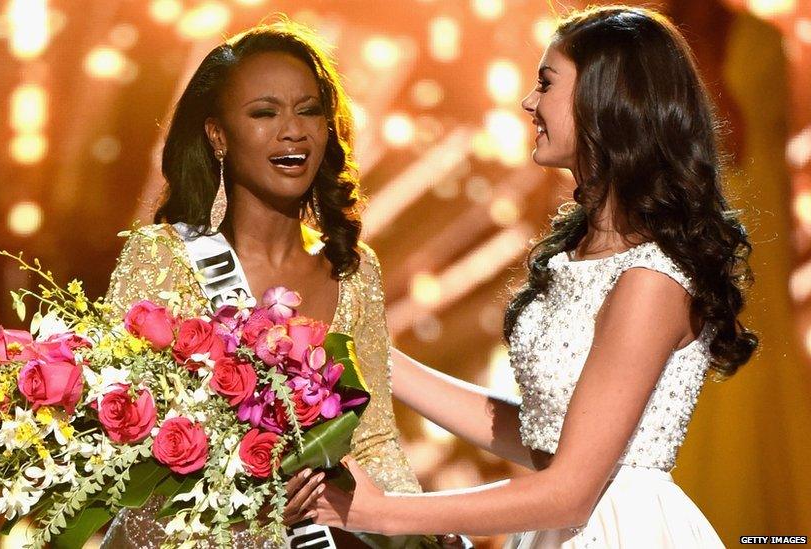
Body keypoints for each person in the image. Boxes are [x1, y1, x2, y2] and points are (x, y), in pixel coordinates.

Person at [304, 6, 758, 547]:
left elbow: (570, 490)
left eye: (546, 83)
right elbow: (547, 433)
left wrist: (385, 512)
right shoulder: (585, 254)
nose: (528, 102)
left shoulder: (649, 281)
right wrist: (367, 355)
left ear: (604, 99)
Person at [99, 20, 423, 548]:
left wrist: (426, 532)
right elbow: (119, 441)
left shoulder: (355, 270)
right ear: (217, 135)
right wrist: (246, 502)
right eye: (264, 113)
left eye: (309, 110)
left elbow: (375, 443)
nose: (292, 130)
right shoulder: (163, 258)